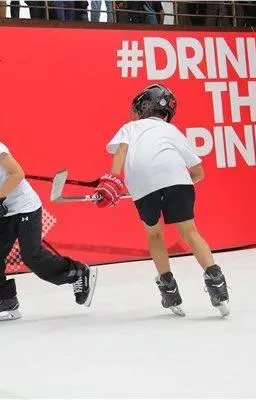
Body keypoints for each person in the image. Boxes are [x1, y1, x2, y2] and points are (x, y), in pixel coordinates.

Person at [0, 99, 97, 322]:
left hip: (26, 207)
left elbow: (18, 174)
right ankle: (6, 299)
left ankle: (77, 272)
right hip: (3, 212)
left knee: (32, 256)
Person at [92, 84, 230, 317]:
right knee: (190, 232)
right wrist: (177, 182)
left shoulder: (131, 127)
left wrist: (111, 182)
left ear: (144, 107)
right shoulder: (172, 131)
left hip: (144, 187)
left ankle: (169, 290)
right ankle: (216, 281)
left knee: (154, 233)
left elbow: (121, 153)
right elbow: (198, 172)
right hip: (179, 182)